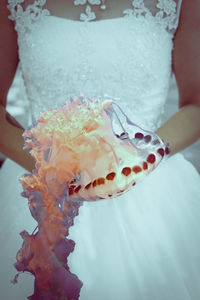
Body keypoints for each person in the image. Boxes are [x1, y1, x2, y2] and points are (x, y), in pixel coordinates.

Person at [0, 0, 200, 299]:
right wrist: (47, 162)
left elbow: (196, 104)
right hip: (36, 187)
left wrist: (138, 158)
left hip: (150, 190)